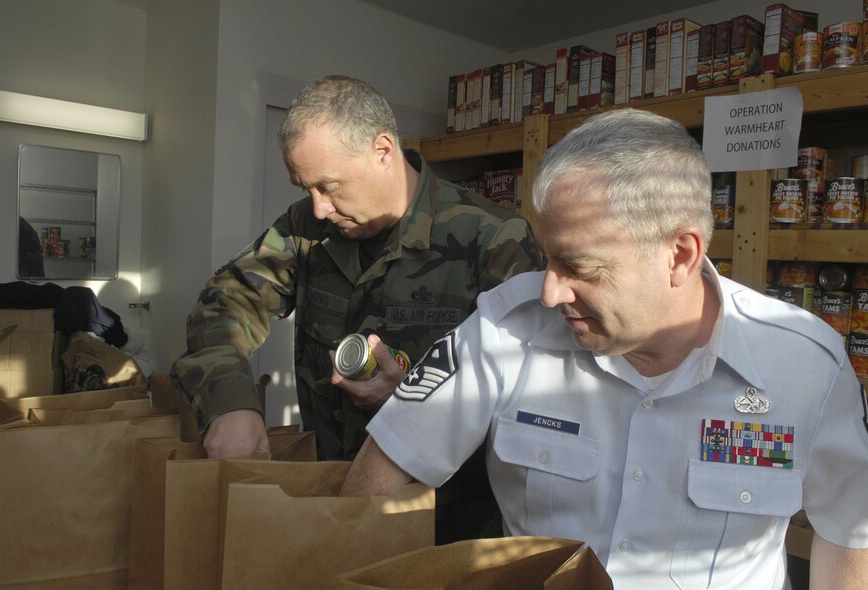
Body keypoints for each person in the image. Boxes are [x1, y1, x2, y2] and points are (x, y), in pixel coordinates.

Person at [341, 109, 868, 589]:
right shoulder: (507, 328)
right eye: (548, 259)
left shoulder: (805, 368)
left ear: (680, 256)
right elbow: (382, 470)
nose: (550, 292)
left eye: (581, 268)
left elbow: (850, 534)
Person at [170, 75, 544, 543]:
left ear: (383, 150)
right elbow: (225, 302)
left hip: (444, 527)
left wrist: (414, 401)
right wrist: (230, 403)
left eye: (329, 186)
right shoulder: (306, 226)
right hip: (329, 500)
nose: (319, 208)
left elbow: (536, 402)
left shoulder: (492, 238)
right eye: (305, 188)